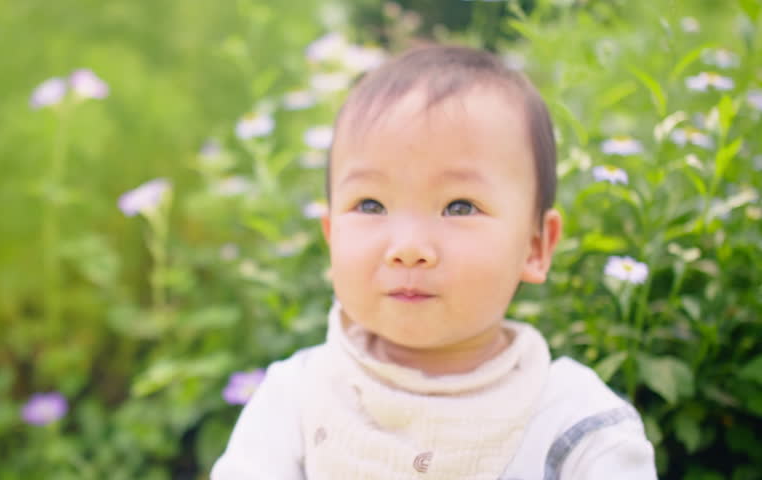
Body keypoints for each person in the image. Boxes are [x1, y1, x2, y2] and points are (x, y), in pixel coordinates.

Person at [212, 44, 657, 479]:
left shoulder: (577, 426)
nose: (408, 247)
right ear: (331, 237)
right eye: (370, 205)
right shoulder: (295, 400)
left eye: (459, 207)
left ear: (536, 246)